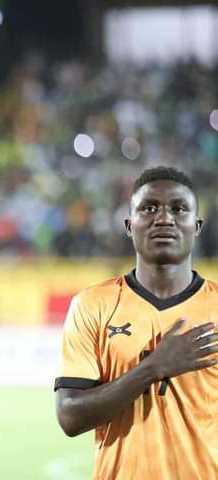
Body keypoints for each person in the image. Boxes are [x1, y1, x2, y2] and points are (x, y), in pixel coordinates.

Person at [55, 166, 218, 479]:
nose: (164, 218)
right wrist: (153, 368)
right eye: (149, 207)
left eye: (179, 208)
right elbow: (70, 416)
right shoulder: (93, 305)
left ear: (197, 226)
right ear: (129, 225)